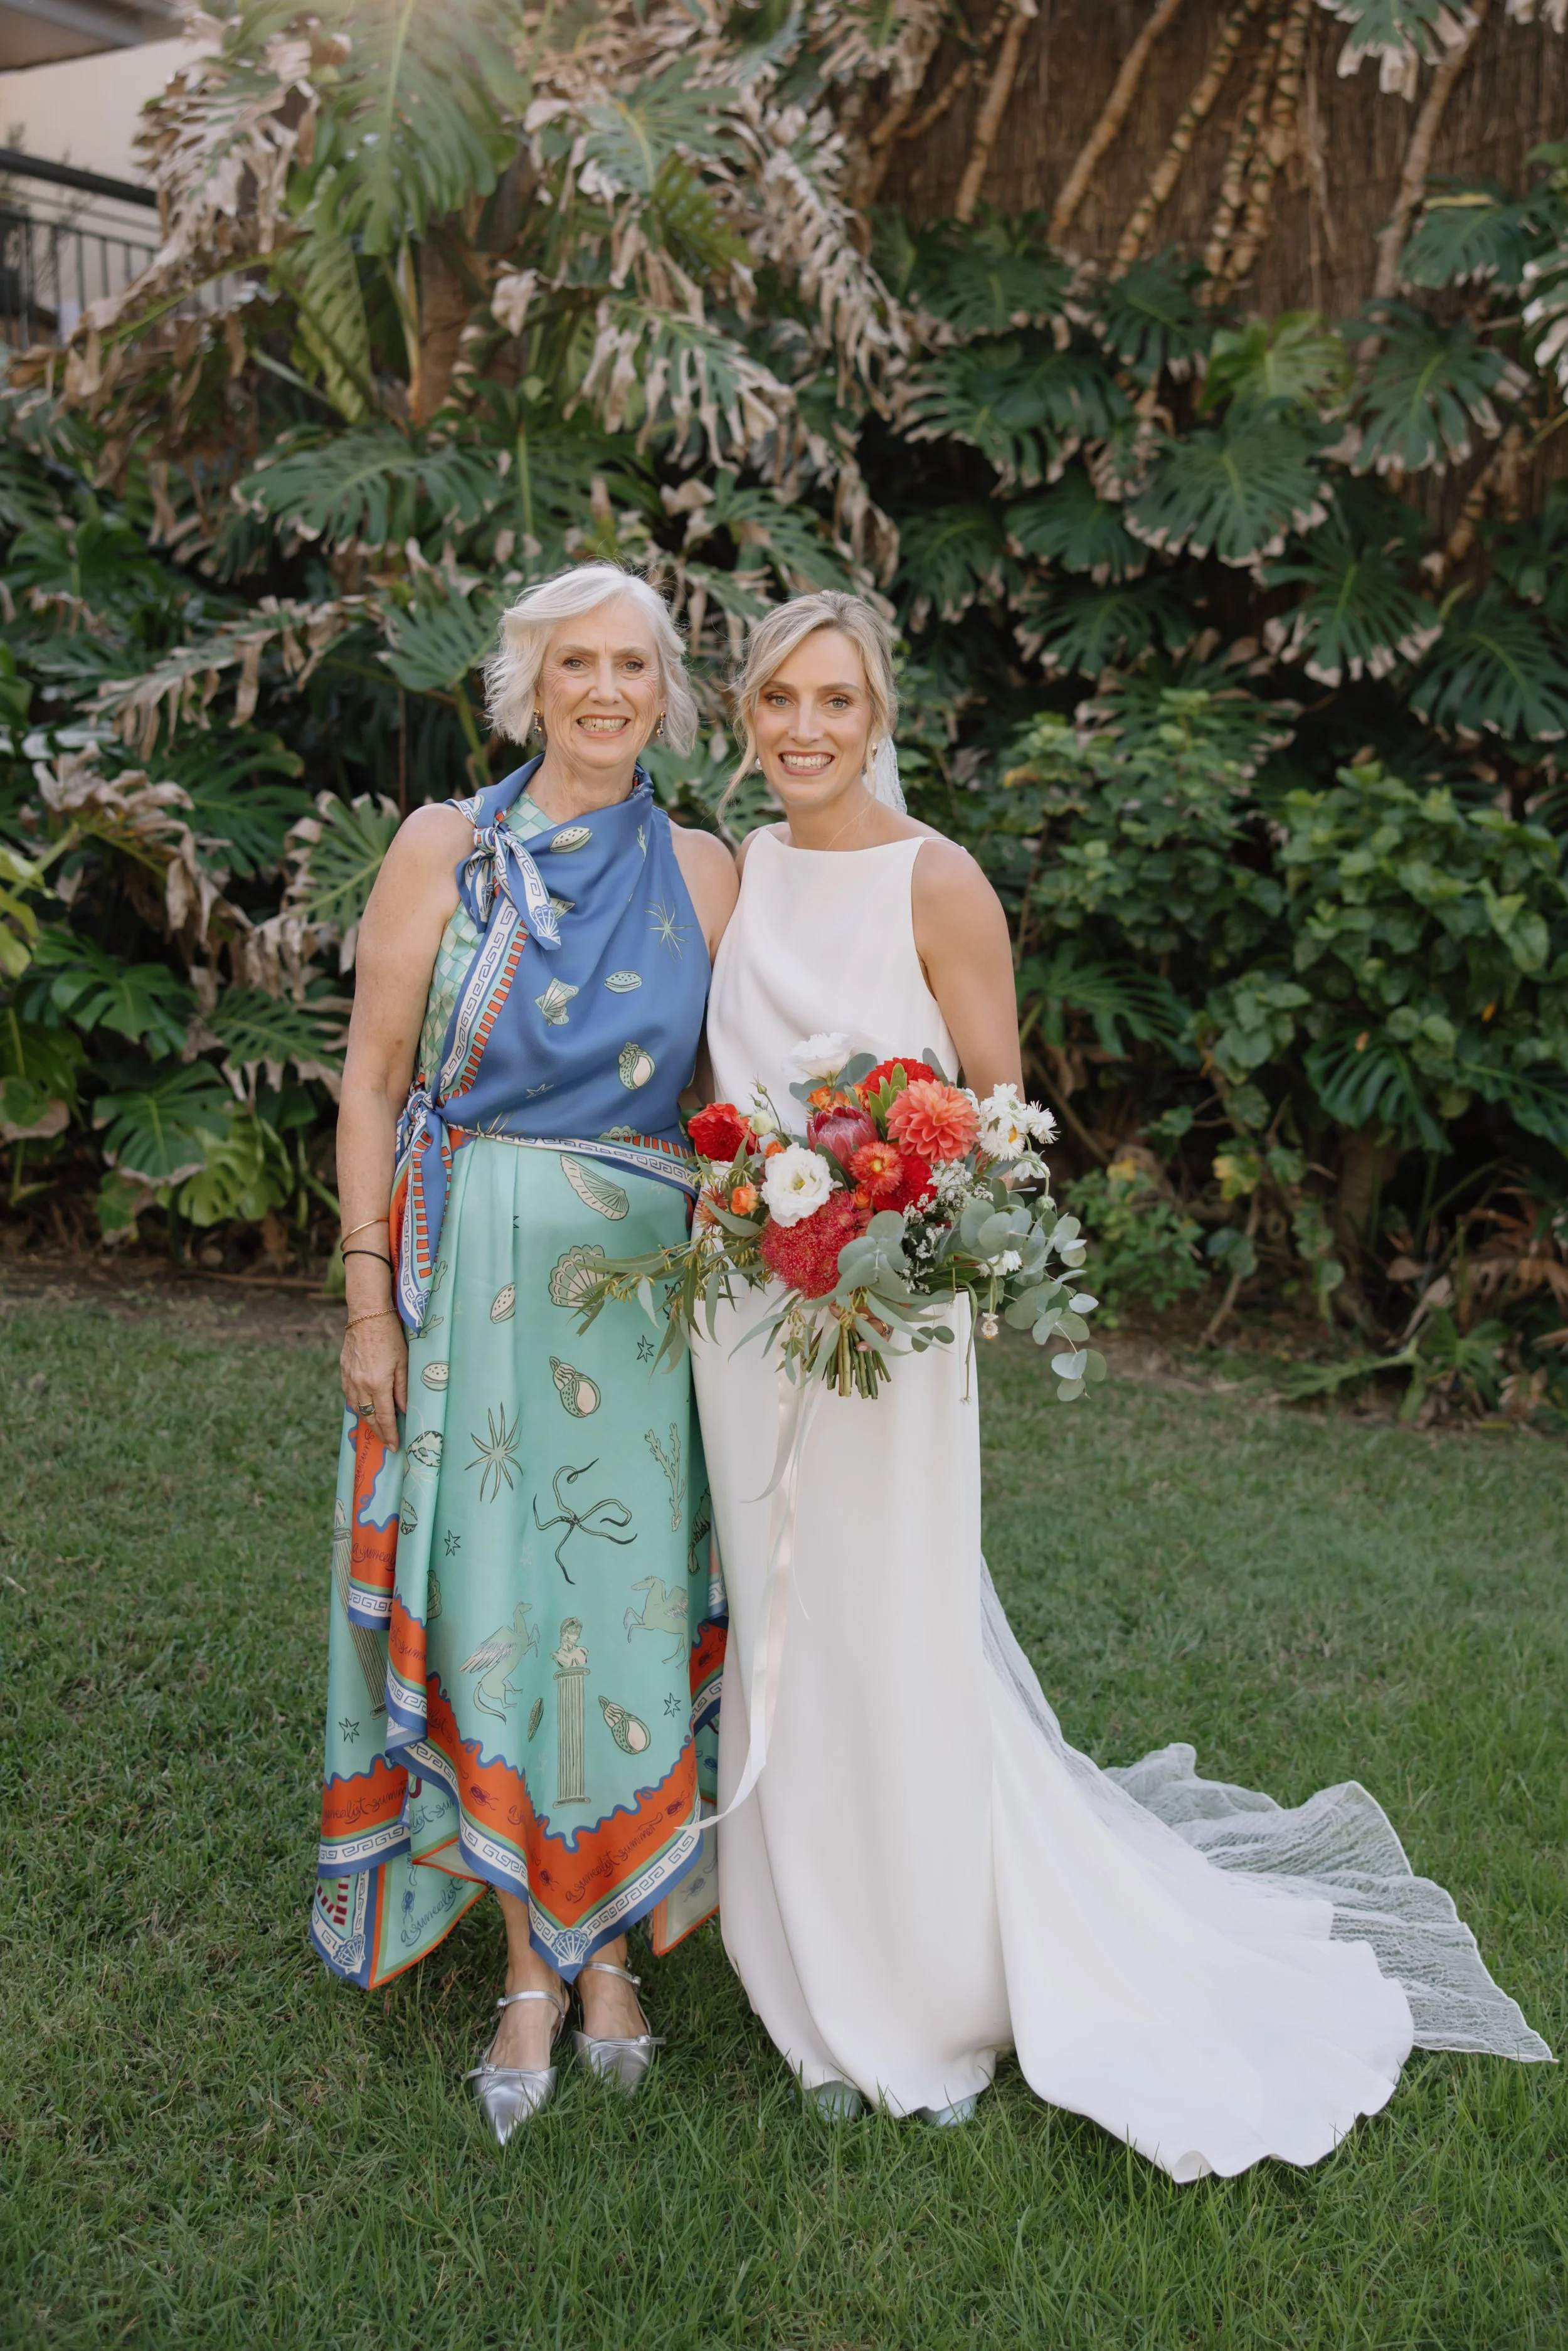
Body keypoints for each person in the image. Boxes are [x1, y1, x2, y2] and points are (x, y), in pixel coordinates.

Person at [691, 589, 1549, 2177]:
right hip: (744, 1316)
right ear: (743, 714)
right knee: (778, 1626)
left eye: (834, 700)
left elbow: (998, 1120)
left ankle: (917, 1980)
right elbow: (716, 1090)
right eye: (774, 700)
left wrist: (900, 1216)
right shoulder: (737, 874)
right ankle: (793, 1953)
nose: (802, 728)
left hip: (892, 1325)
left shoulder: (936, 881)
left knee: (888, 1626)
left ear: (881, 716)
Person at [312, 561, 737, 2143]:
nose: (607, 690)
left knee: (617, 1607)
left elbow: (741, 1088)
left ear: (665, 691)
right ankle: (524, 1968)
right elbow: (366, 1082)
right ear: (529, 683)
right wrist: (368, 1300)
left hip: (642, 1307)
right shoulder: (447, 848)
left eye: (634, 663)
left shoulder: (704, 870)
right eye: (577, 663)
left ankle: (613, 1948)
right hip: (467, 1293)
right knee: (495, 1604)